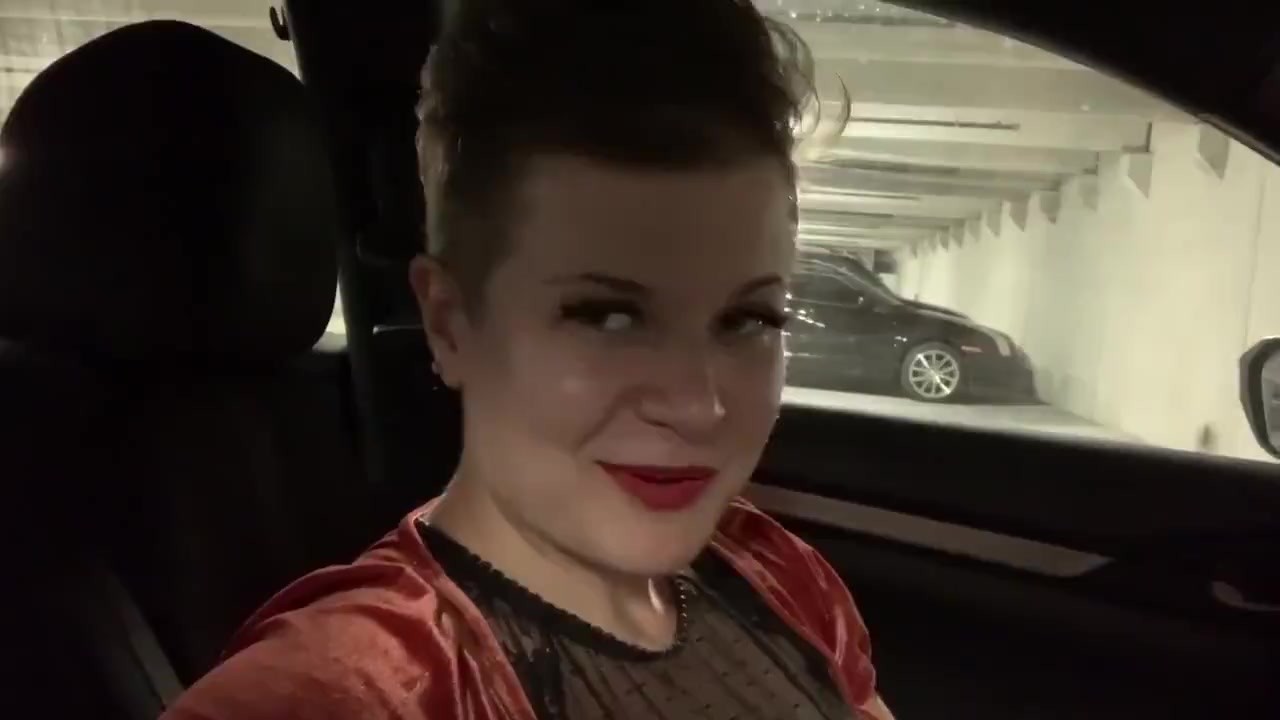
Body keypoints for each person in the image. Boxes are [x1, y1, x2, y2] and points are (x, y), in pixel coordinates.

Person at [163, 1, 892, 718]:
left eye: (748, 318)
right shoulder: (353, 686)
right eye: (607, 316)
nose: (699, 405)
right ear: (451, 325)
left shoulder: (777, 573)